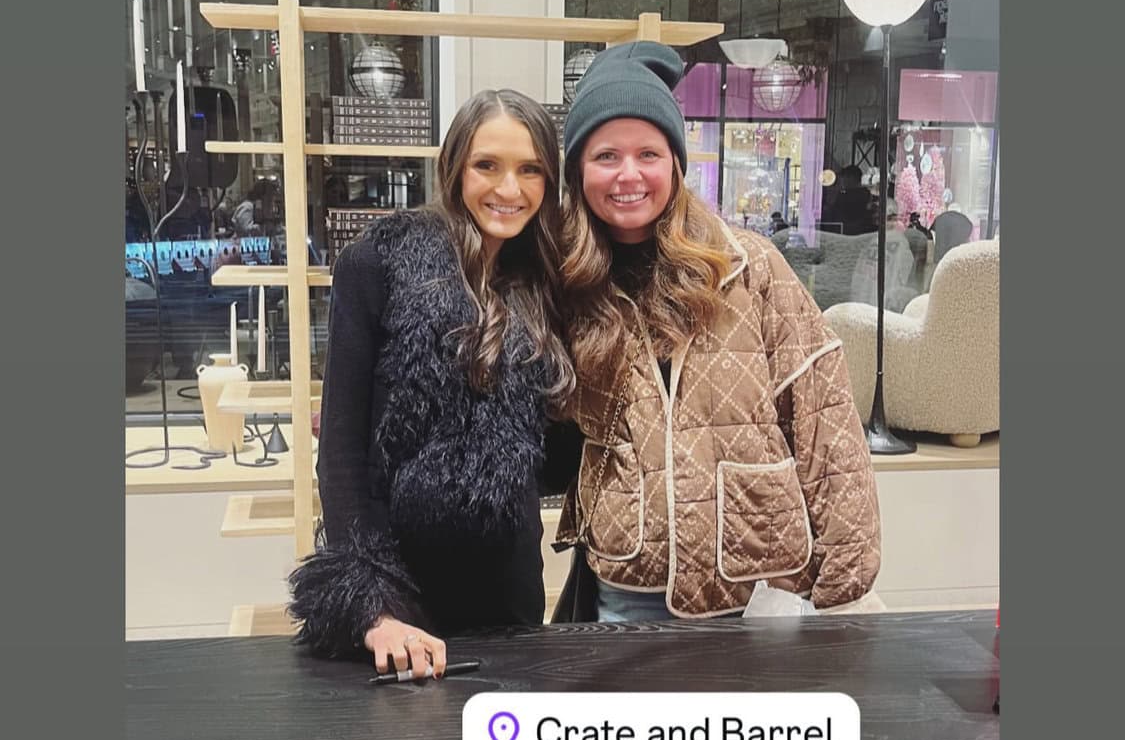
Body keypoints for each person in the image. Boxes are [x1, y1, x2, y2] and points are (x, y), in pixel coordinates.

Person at [554, 43, 880, 624]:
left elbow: (821, 408)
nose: (628, 175)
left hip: (758, 573)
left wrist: (845, 573)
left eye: (648, 153)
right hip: (631, 580)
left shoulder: (745, 266)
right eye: (606, 155)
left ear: (675, 164)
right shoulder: (569, 282)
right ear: (579, 170)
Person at [289, 90, 578, 672]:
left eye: (530, 170)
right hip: (397, 587)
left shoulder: (549, 279)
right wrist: (373, 610)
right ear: (455, 167)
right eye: (487, 165)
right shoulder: (379, 262)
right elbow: (342, 451)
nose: (509, 189)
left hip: (508, 594)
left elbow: (550, 461)